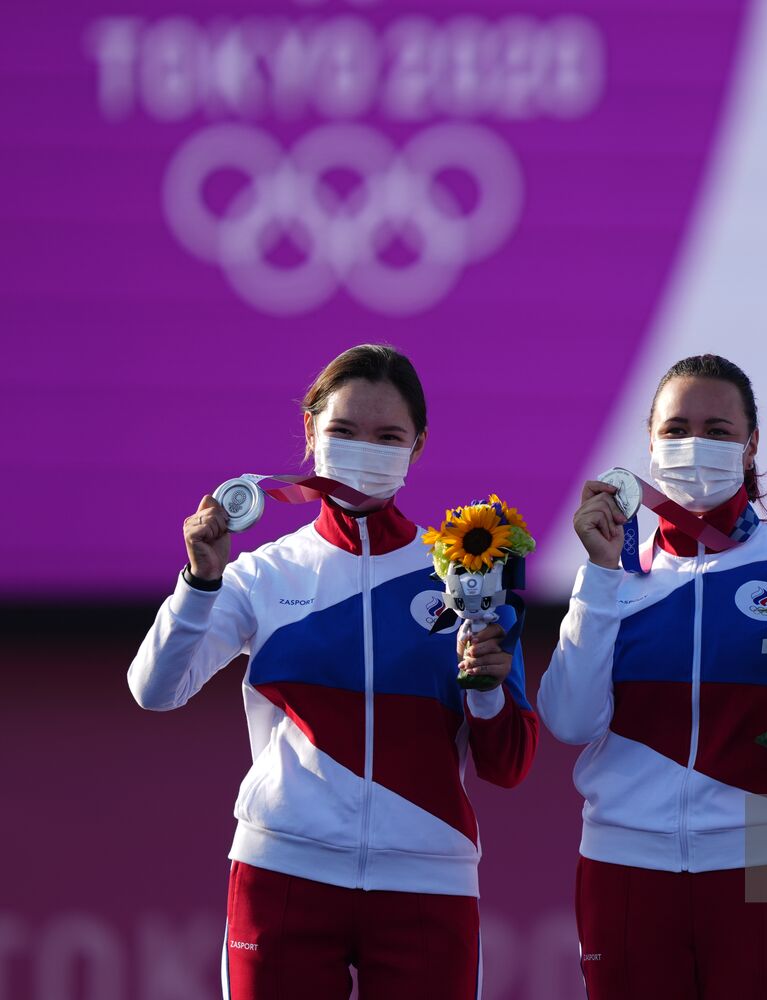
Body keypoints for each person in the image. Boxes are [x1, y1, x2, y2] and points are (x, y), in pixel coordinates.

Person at [128, 344, 537, 999]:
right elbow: (154, 690)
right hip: (283, 873)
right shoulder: (265, 573)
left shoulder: (467, 576)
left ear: (418, 446)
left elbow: (508, 765)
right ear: (311, 431)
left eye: (387, 436)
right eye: (344, 431)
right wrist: (199, 582)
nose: (363, 450)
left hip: (428, 880)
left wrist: (485, 692)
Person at [539, 354, 767, 999]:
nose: (694, 445)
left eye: (718, 430)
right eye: (675, 429)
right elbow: (568, 722)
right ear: (648, 442)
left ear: (752, 445)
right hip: (627, 866)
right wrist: (597, 577)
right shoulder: (614, 578)